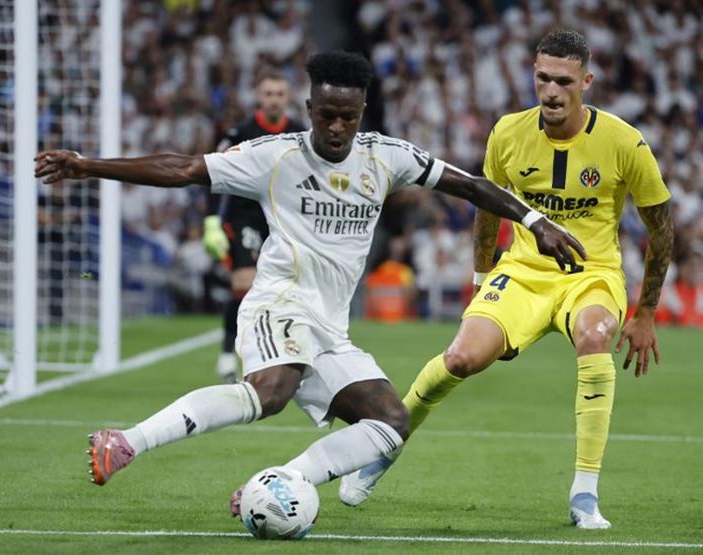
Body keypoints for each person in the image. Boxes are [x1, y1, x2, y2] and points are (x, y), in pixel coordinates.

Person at [34, 51, 584, 513]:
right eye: (326, 116)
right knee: (270, 393)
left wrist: (535, 222)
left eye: (347, 116)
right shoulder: (274, 157)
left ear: (363, 110)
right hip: (278, 301)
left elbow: (469, 186)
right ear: (309, 110)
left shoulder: (387, 158)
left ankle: (282, 481)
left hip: (329, 326)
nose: (337, 128)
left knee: (391, 424)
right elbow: (182, 169)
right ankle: (125, 442)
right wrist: (88, 165)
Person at [339, 30, 674, 530]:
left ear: (587, 80)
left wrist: (645, 310)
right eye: (543, 78)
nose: (552, 91)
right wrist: (481, 280)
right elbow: (487, 212)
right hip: (520, 273)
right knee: (459, 358)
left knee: (594, 337)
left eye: (564, 80)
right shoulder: (508, 132)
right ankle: (384, 446)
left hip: (593, 275)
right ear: (533, 75)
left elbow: (661, 226)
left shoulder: (624, 142)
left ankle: (584, 493)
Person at [204, 69, 305, 383]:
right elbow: (213, 172)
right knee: (244, 285)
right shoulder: (240, 133)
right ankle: (227, 351)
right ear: (259, 98)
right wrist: (212, 220)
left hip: (284, 221)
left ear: (287, 98)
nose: (273, 100)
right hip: (245, 216)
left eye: (279, 94)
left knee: (288, 290)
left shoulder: (301, 134)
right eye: (268, 94)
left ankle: (281, 354)